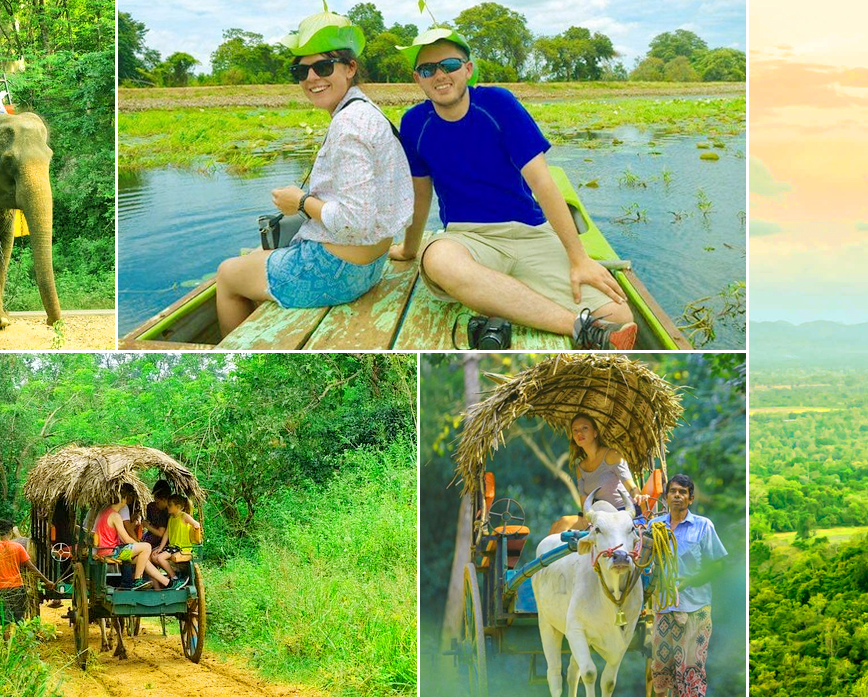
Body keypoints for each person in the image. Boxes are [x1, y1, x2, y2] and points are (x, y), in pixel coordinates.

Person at [395, 29, 638, 350]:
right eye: (428, 69)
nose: (439, 75)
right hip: (468, 238)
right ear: (418, 79)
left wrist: (578, 259)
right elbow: (421, 194)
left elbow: (542, 182)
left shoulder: (499, 105)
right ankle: (578, 327)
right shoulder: (414, 123)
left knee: (619, 314)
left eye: (449, 65)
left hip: (529, 233)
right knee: (438, 259)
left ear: (467, 69)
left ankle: (505, 293)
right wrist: (411, 250)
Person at [211, 11, 412, 336]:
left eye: (323, 67)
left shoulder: (348, 125)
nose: (311, 78)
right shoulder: (367, 110)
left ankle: (235, 349)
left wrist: (300, 202)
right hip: (371, 265)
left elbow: (355, 219)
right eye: (300, 70)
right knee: (258, 258)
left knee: (227, 274)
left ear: (350, 68)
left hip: (336, 271)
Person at [647, 474, 728, 697]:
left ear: (690, 499)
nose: (677, 496)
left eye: (683, 492)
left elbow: (719, 565)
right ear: (666, 496)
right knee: (661, 667)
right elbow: (644, 564)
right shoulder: (655, 527)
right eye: (673, 491)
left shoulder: (703, 526)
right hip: (664, 607)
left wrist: (690, 581)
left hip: (696, 608)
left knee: (691, 667)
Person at [548, 413, 644, 536]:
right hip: (599, 515)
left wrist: (637, 495)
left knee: (565, 523)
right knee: (560, 524)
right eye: (575, 430)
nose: (579, 433)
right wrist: (587, 521)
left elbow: (631, 487)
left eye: (584, 428)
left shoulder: (612, 455)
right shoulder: (581, 468)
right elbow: (584, 505)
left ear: (595, 433)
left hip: (621, 514)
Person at [94, 488, 170, 588]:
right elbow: (126, 539)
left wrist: (138, 547)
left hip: (106, 550)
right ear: (122, 499)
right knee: (147, 546)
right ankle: (137, 580)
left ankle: (167, 582)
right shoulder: (115, 516)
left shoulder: (106, 511)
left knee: (142, 559)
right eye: (126, 498)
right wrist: (139, 545)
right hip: (112, 552)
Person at [0, 517, 54, 628]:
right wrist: (46, 581)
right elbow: (30, 566)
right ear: (11, 532)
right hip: (17, 588)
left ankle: (7, 645)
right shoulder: (18, 547)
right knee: (20, 622)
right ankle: (20, 642)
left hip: (0, 590)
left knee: (5, 624)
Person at [156, 495, 204, 574]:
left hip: (181, 548)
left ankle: (173, 577)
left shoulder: (184, 516)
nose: (167, 507)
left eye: (170, 505)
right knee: (154, 557)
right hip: (172, 547)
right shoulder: (171, 518)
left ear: (178, 507)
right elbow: (166, 534)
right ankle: (172, 573)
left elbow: (196, 524)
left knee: (160, 558)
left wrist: (196, 528)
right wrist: (160, 548)